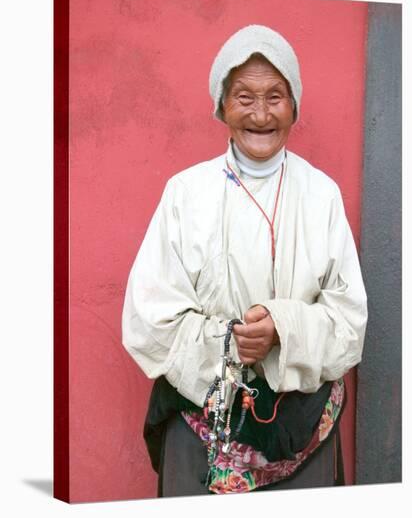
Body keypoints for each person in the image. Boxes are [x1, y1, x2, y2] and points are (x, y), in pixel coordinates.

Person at [122, 24, 367, 497]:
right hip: (202, 428)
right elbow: (147, 319)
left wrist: (282, 329)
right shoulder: (185, 193)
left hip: (303, 429)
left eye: (275, 96)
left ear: (294, 104)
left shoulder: (321, 196)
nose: (260, 114)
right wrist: (229, 344)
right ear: (222, 106)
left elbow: (349, 324)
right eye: (244, 97)